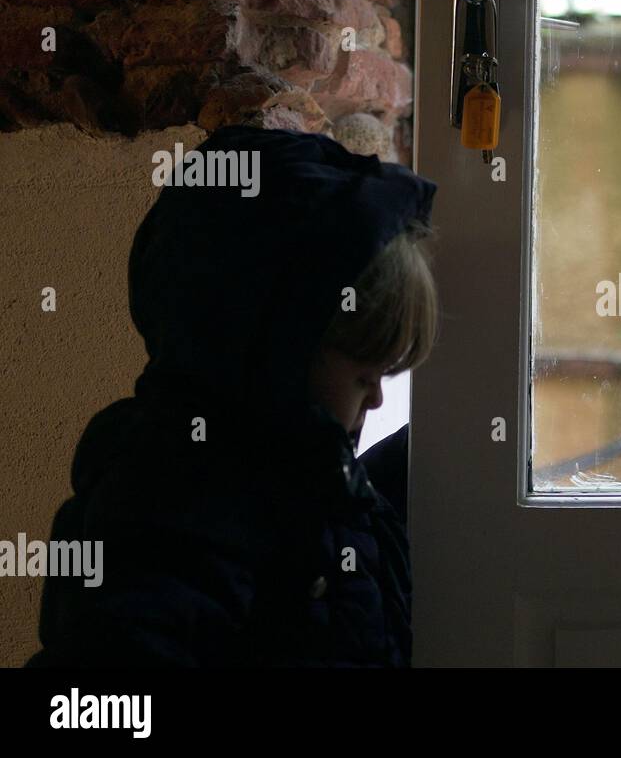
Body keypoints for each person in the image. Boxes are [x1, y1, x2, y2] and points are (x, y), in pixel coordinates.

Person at [26, 125, 438, 668]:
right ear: (281, 348)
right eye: (365, 377)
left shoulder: (295, 467)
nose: (378, 401)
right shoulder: (164, 507)